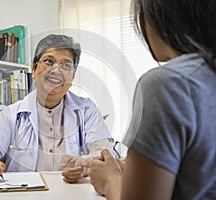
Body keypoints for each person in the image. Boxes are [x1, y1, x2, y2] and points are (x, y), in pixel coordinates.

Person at [87, 0, 216, 199]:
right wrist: (121, 165)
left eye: (66, 65)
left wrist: (110, 179)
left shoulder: (170, 84)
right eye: (49, 62)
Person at [0, 34, 115, 182]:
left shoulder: (85, 110)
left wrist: (86, 164)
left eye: (66, 65)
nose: (56, 70)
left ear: (72, 76)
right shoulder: (12, 115)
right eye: (48, 61)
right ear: (33, 69)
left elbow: (107, 155)